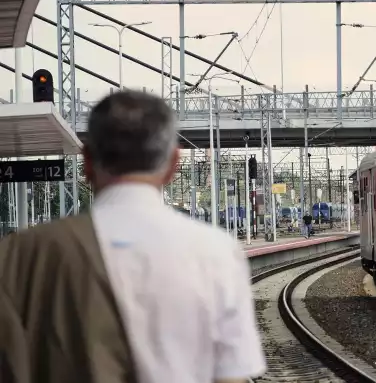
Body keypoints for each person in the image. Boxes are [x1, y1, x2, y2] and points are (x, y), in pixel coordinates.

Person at [0, 90, 266, 383]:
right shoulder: (218, 252)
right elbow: (231, 376)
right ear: (173, 165)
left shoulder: (20, 254)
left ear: (87, 160)